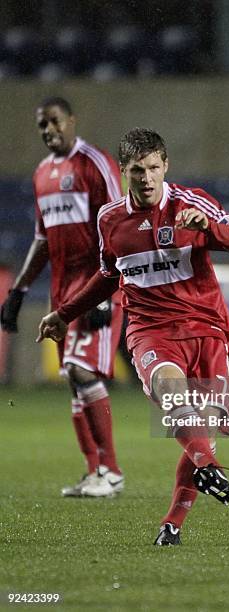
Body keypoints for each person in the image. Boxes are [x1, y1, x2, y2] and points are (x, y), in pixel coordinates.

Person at [36, 127, 229, 545]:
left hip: (207, 329)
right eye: (138, 170)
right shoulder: (110, 220)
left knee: (201, 435)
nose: (147, 178)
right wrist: (65, 315)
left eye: (154, 167)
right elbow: (107, 276)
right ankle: (208, 467)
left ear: (165, 166)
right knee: (174, 396)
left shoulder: (192, 203)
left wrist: (209, 228)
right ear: (124, 172)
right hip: (150, 331)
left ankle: (171, 525)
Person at [0, 97, 125, 497]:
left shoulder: (95, 162)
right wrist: (19, 290)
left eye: (54, 121)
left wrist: (106, 291)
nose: (48, 130)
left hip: (95, 285)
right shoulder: (42, 174)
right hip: (60, 292)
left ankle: (112, 471)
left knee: (81, 370)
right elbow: (41, 239)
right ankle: (95, 473)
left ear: (71, 120)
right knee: (73, 380)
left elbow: (118, 224)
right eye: (41, 125)